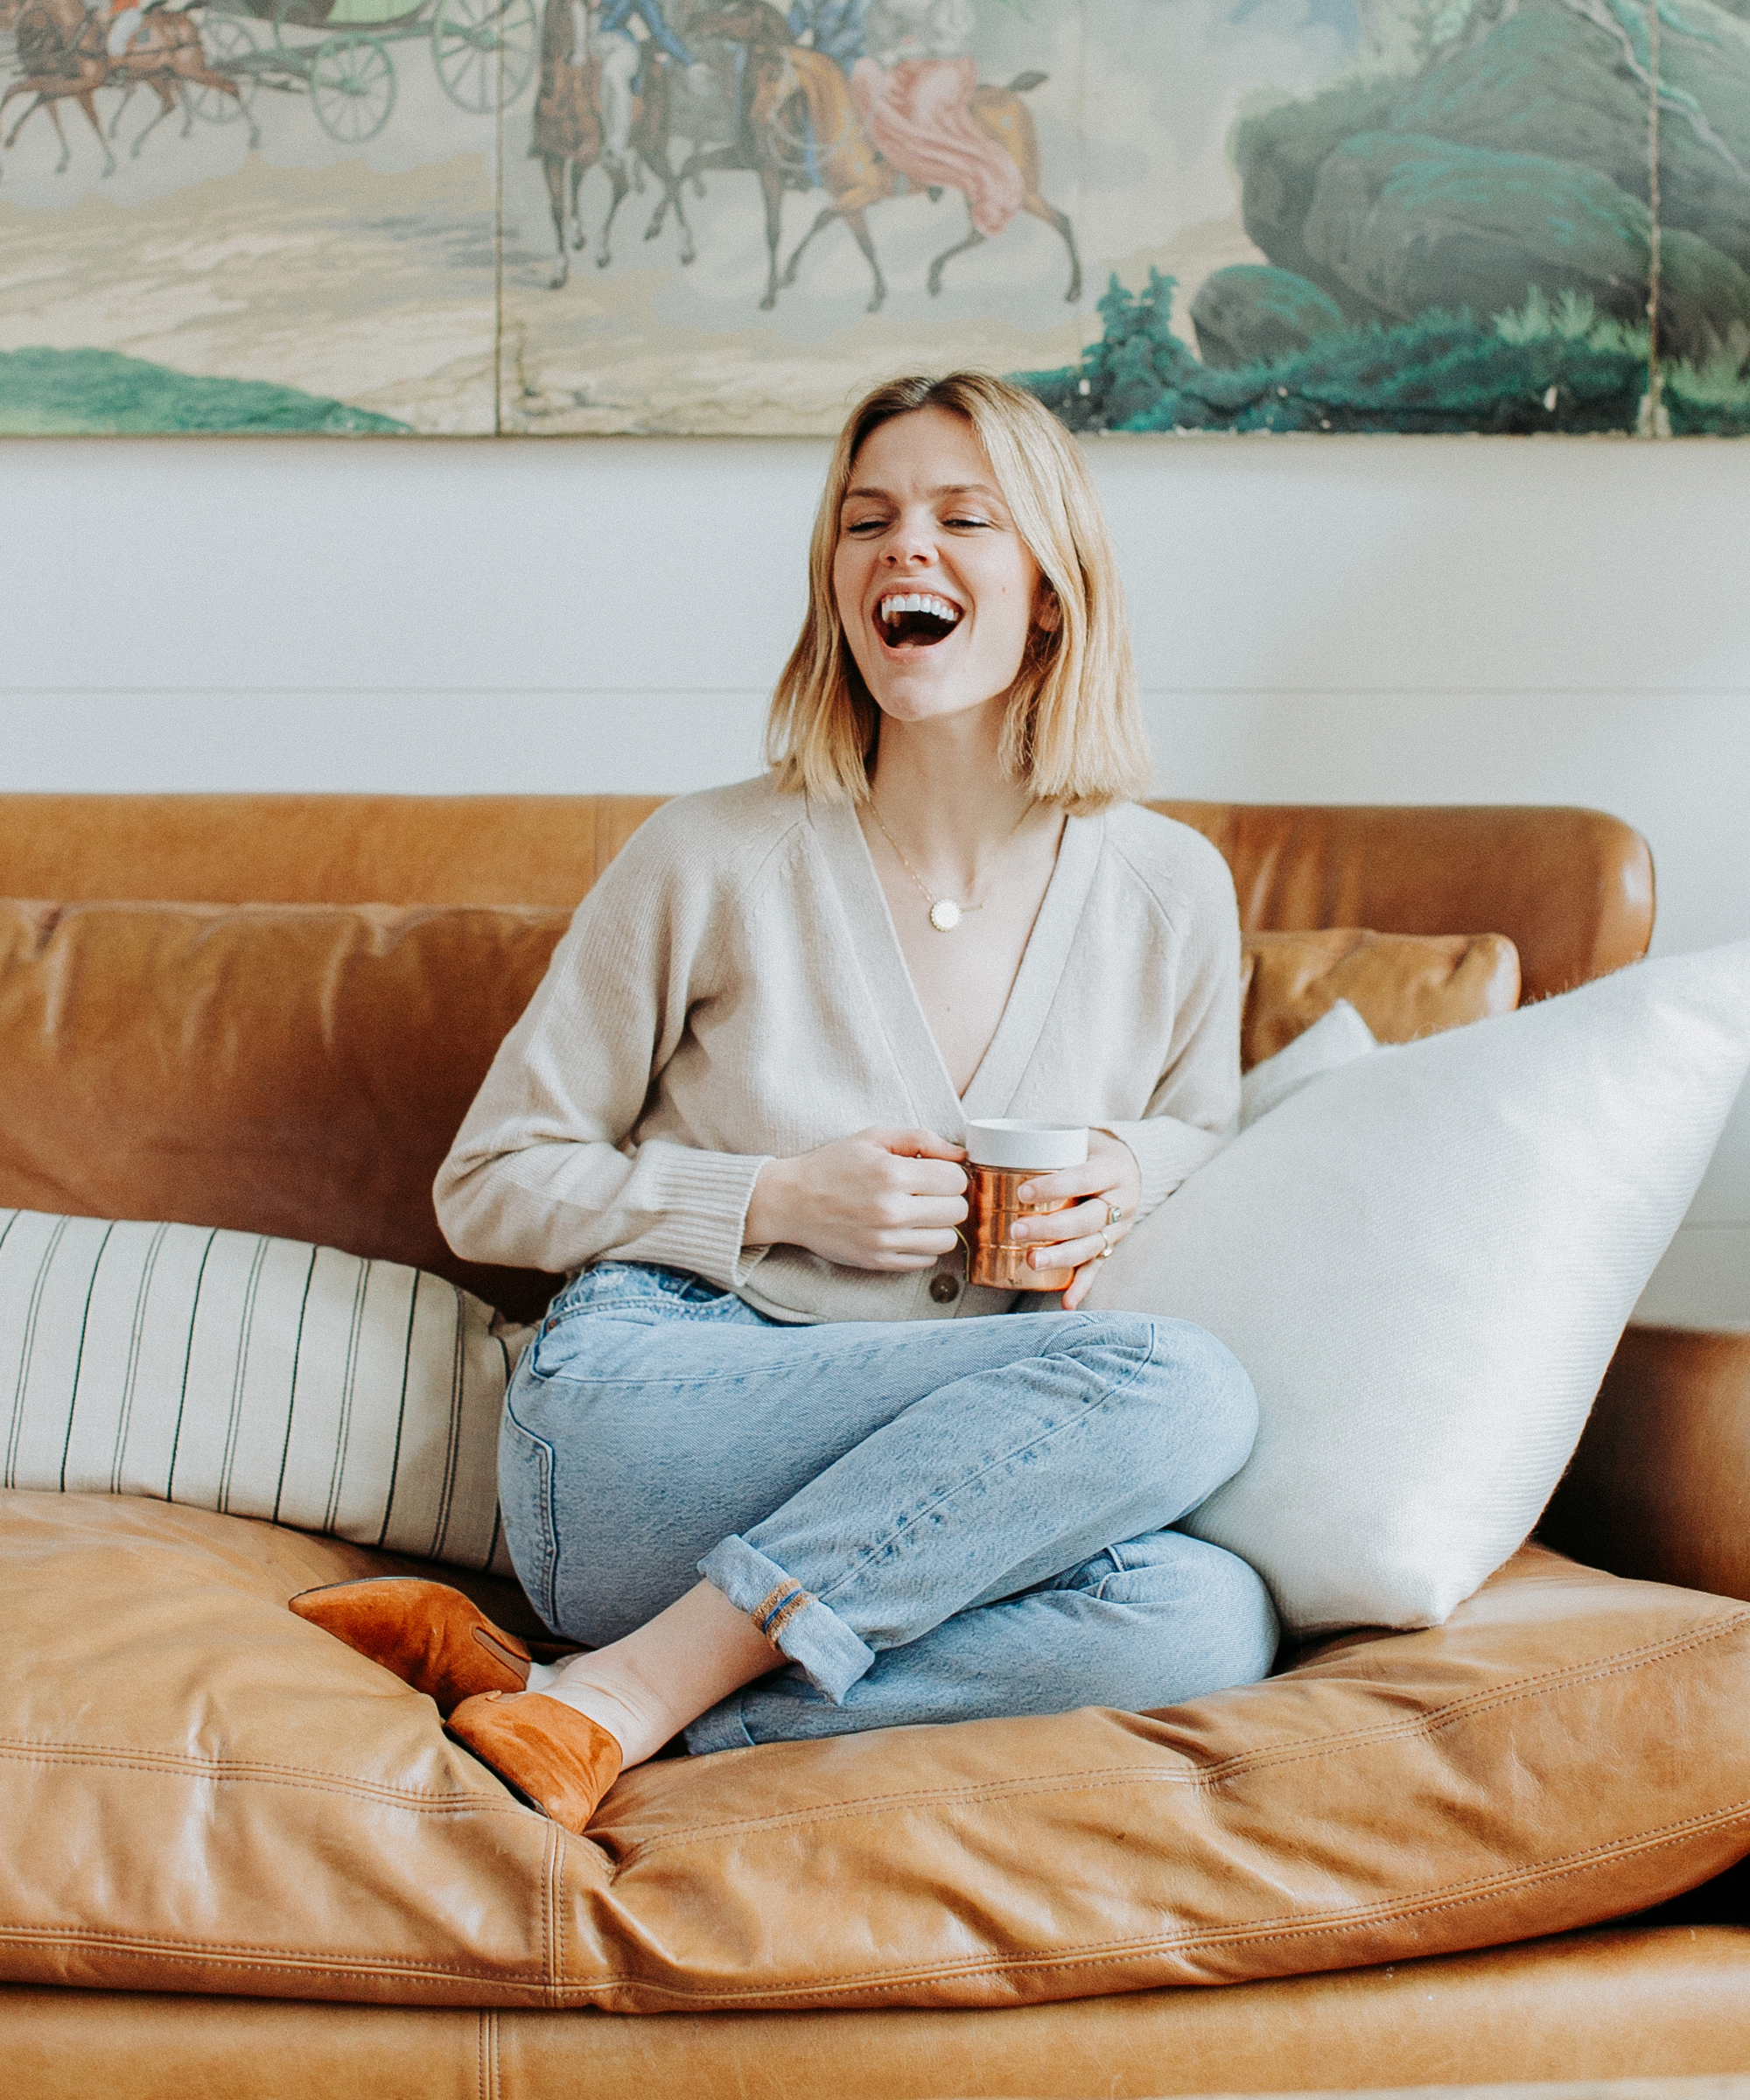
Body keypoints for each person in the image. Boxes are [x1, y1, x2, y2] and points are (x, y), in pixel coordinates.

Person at [289, 371, 1278, 1837]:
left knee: (1206, 1621)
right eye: (866, 521)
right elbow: (490, 1180)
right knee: (1180, 1391)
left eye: (963, 518)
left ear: (1051, 594)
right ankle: (617, 1684)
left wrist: (1132, 1166)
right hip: (645, 1421)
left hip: (926, 1483)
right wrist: (774, 1199)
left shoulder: (1169, 888)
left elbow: (1210, 1134)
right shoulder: (711, 856)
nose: (904, 551)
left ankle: (587, 1699)